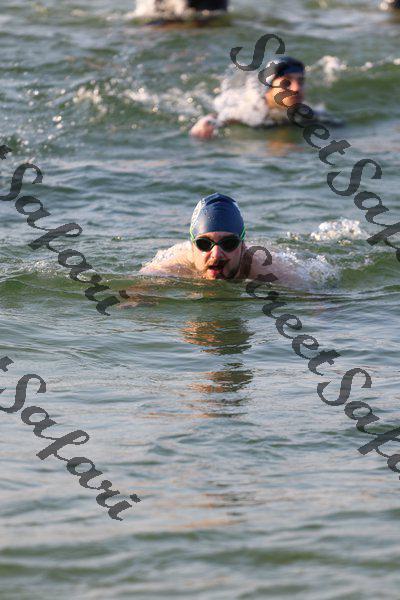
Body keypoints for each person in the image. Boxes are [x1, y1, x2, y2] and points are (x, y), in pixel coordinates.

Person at [140, 192, 299, 285]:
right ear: (192, 247)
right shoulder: (172, 268)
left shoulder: (268, 270)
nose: (216, 254)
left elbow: (309, 297)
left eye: (229, 243)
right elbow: (136, 289)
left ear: (243, 246)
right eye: (204, 244)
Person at [190, 56, 340, 140]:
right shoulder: (252, 110)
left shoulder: (309, 114)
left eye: (300, 81)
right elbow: (222, 117)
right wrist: (206, 122)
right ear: (269, 87)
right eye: (287, 82)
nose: (296, 88)